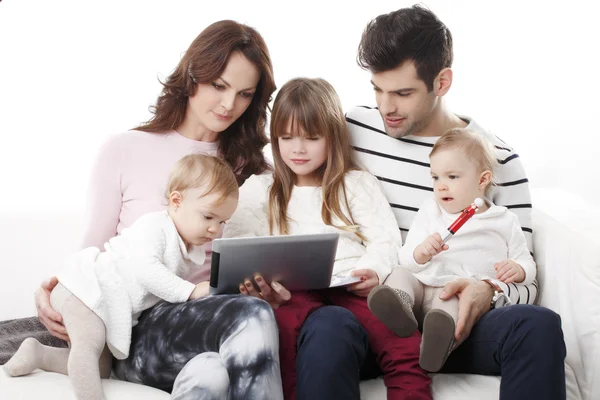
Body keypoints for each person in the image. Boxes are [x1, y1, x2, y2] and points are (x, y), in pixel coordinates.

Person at [30, 20, 289, 399]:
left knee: (212, 377)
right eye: (218, 85)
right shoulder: (124, 149)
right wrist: (52, 292)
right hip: (136, 331)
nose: (229, 104)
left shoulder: (256, 172)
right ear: (191, 75)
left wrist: (269, 290)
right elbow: (93, 251)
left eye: (245, 93)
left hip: (213, 326)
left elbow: (257, 265)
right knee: (252, 316)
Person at [346, 5, 566, 399]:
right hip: (380, 313)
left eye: (402, 93)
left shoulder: (496, 159)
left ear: (442, 81)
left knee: (538, 325)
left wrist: (489, 291)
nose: (386, 107)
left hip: (456, 324)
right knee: (327, 327)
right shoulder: (354, 130)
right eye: (377, 90)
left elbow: (524, 276)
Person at [223, 77, 431, 400]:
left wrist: (373, 270)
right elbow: (236, 245)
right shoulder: (260, 189)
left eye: (311, 137)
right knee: (286, 352)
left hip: (352, 288)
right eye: (286, 137)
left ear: (332, 136)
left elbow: (385, 239)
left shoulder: (355, 184)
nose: (298, 149)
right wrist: (256, 285)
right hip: (291, 294)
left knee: (404, 343)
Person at [5, 155, 256, 400]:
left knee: (102, 368)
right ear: (176, 201)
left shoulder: (190, 250)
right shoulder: (155, 227)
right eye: (208, 217)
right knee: (88, 346)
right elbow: (146, 270)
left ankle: (38, 353)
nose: (215, 229)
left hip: (106, 304)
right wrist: (190, 291)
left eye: (223, 221)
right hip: (86, 288)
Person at [368, 128, 536, 373]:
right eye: (436, 178)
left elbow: (528, 264)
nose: (441, 186)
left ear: (482, 180)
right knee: (399, 275)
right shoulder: (430, 210)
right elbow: (405, 258)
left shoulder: (503, 220)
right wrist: (420, 253)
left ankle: (437, 346)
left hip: (454, 291)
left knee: (450, 310)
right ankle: (399, 310)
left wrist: (519, 270)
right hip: (420, 282)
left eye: (452, 177)